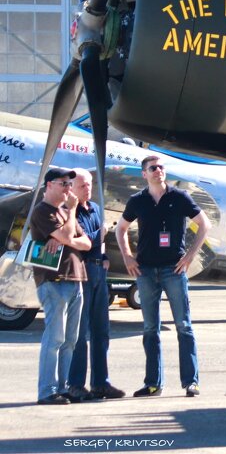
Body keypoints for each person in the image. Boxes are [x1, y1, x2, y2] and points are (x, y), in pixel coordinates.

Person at [116, 155, 210, 398]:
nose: (158, 171)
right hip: (145, 271)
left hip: (173, 270)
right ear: (144, 174)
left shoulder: (179, 197)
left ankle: (191, 381)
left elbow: (204, 225)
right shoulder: (138, 200)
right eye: (153, 168)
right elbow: (121, 228)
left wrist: (189, 256)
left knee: (183, 326)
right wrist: (127, 257)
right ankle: (153, 383)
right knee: (150, 328)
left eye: (161, 167)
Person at [28, 167, 89, 405]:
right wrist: (70, 219)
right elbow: (69, 237)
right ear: (49, 185)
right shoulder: (42, 211)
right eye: (63, 184)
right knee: (54, 338)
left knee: (70, 340)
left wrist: (64, 236)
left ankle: (62, 387)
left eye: (68, 184)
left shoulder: (64, 213)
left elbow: (86, 242)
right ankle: (47, 391)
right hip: (54, 281)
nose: (68, 188)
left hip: (75, 280)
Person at [64, 170, 125, 401]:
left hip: (99, 269)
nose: (87, 189)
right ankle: (76, 384)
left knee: (102, 330)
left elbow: (97, 242)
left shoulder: (96, 209)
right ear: (72, 188)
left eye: (89, 185)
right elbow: (82, 240)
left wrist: (104, 255)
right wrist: (100, 235)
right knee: (81, 332)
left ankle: (101, 383)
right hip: (83, 271)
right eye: (82, 186)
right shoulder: (69, 211)